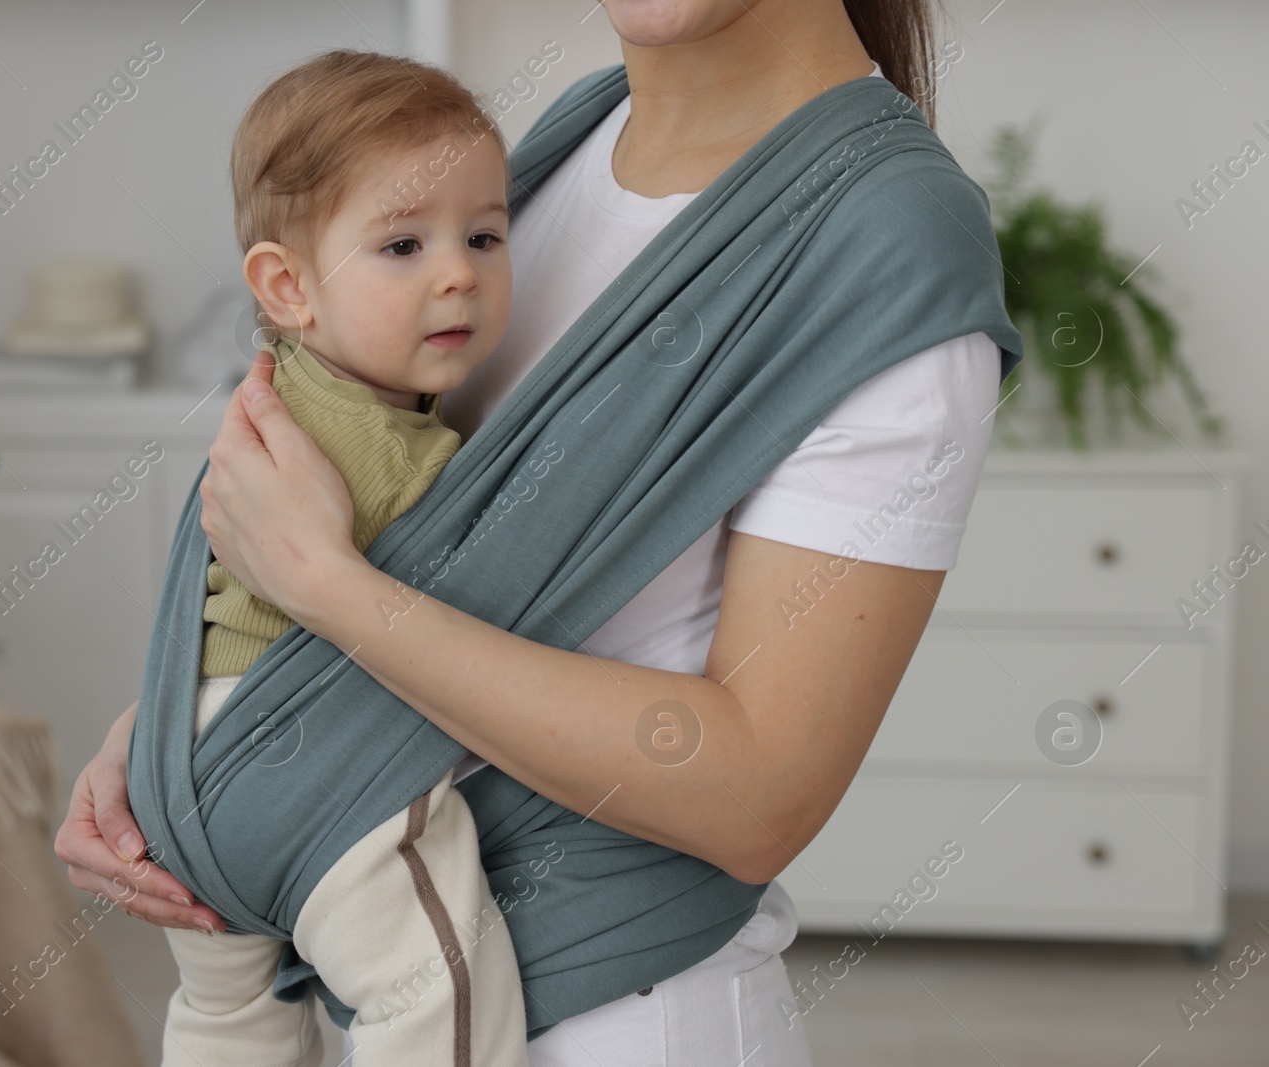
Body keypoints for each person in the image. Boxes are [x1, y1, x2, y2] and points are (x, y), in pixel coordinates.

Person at [56, 1, 1017, 1063]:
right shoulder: (565, 148)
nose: (455, 261)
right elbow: (384, 522)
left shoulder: (881, 240)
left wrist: (327, 587)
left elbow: (761, 795)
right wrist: (191, 732)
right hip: (385, 978)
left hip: (625, 1018)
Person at [148, 50, 531, 1067]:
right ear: (287, 284)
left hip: (190, 765)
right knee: (436, 992)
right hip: (315, 772)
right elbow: (478, 595)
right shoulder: (392, 450)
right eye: (402, 244)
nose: (459, 270)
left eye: (484, 234)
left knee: (227, 1019)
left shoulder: (274, 397)